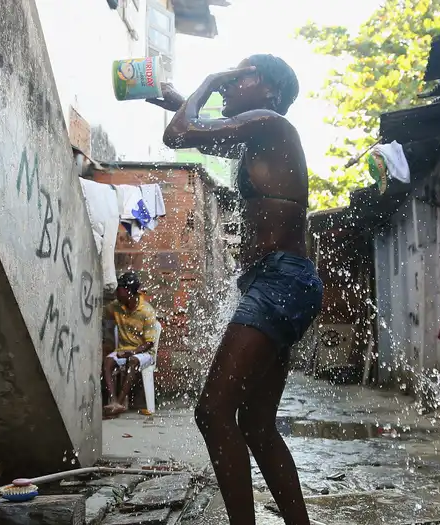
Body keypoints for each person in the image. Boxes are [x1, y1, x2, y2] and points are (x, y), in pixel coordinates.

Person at [149, 54, 323, 525]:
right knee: (257, 425)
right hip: (282, 281)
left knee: (213, 412)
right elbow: (198, 128)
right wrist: (170, 97)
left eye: (240, 74)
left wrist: (209, 79)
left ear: (268, 90)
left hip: (280, 280)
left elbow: (180, 136)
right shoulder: (259, 140)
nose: (230, 80)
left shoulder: (271, 122)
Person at [101, 272, 159, 418]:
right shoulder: (116, 307)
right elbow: (101, 315)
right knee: (108, 361)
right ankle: (113, 401)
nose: (116, 293)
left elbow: (149, 343)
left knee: (133, 361)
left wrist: (132, 353)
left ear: (127, 291)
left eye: (118, 289)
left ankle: (119, 404)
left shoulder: (146, 311)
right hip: (122, 350)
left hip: (143, 353)